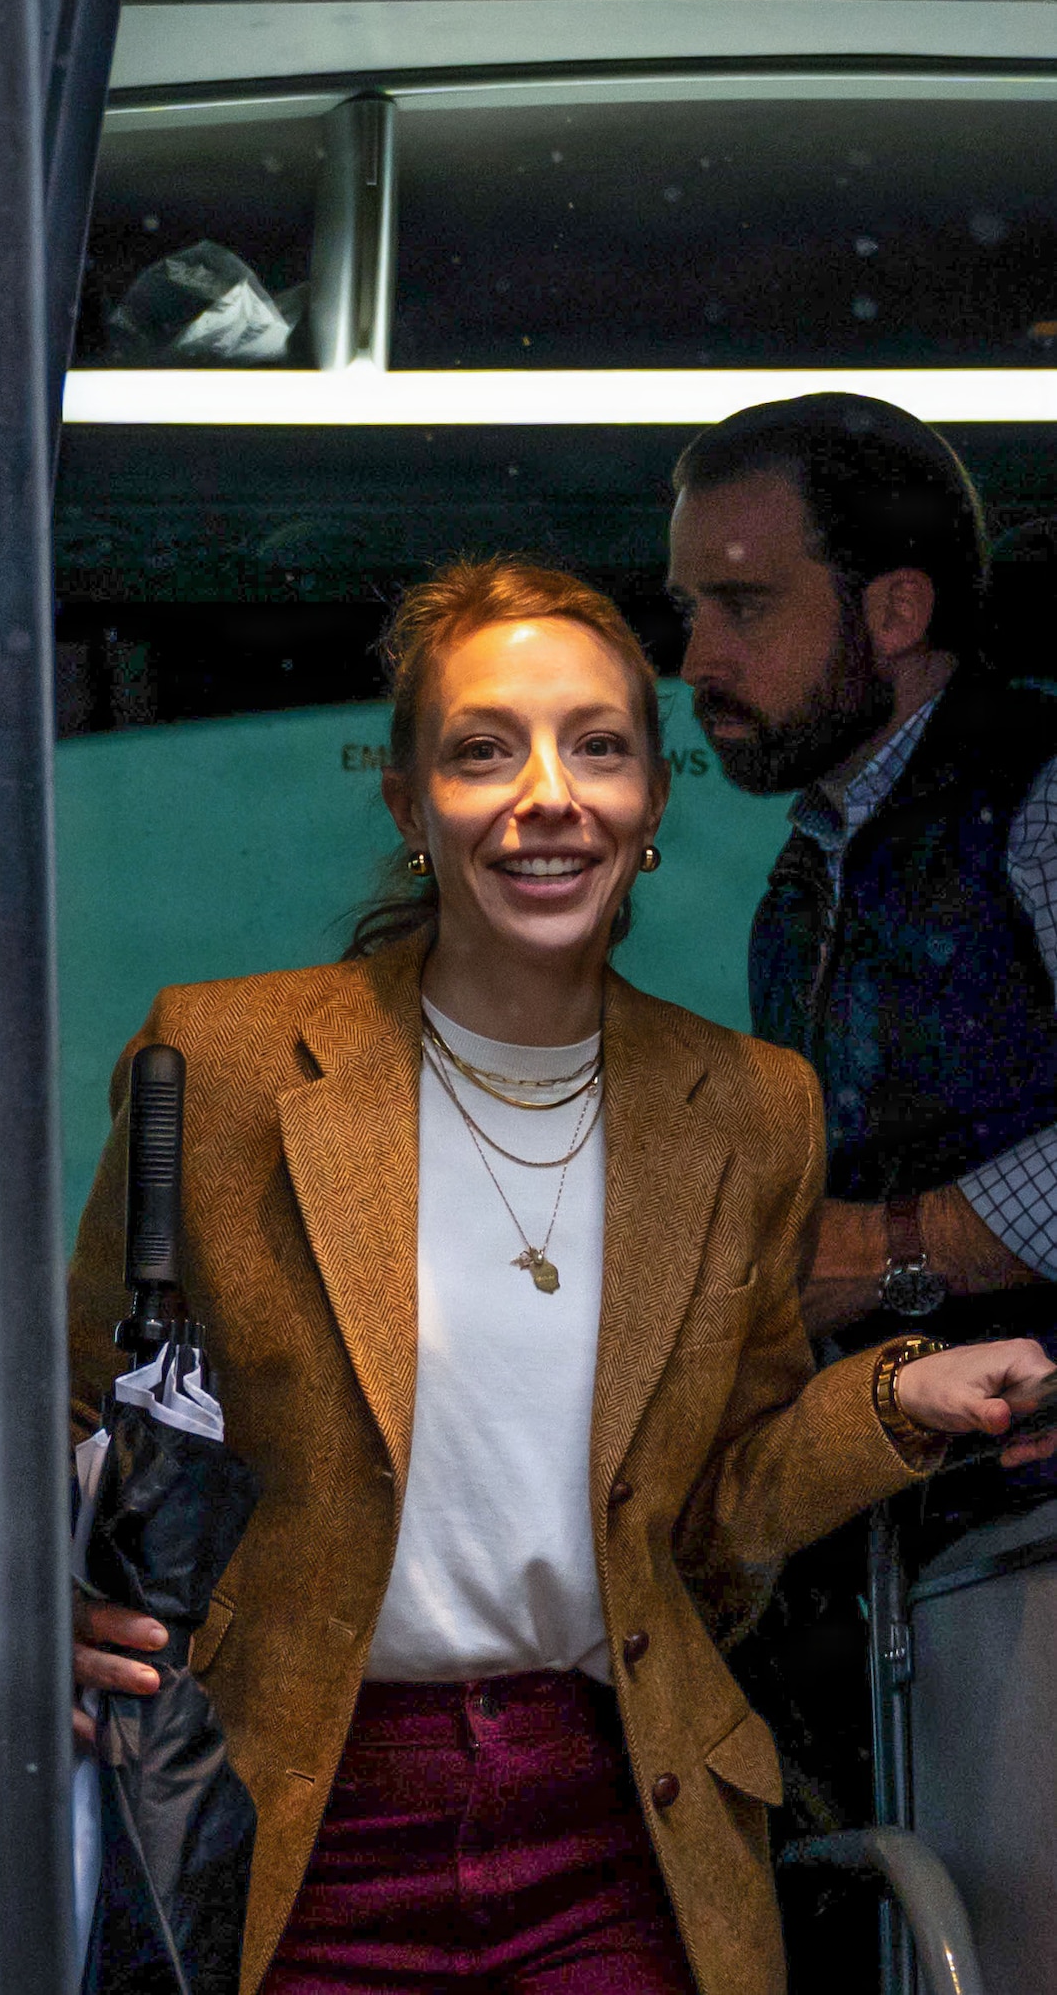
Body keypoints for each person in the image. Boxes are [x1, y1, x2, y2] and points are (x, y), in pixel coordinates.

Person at [68, 558, 1053, 1995]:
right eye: (485, 751)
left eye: (597, 747)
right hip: (289, 1814)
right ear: (408, 804)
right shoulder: (221, 1065)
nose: (549, 796)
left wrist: (901, 1400)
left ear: (650, 803)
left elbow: (712, 1533)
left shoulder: (750, 1108)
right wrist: (52, 1617)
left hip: (617, 1817)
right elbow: (68, 1411)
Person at [666, 394, 1057, 1983]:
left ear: (893, 612)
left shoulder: (1041, 795)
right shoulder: (810, 869)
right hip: (930, 1557)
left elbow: (867, 1246)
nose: (696, 657)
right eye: (688, 608)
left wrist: (887, 1252)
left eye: (742, 604)